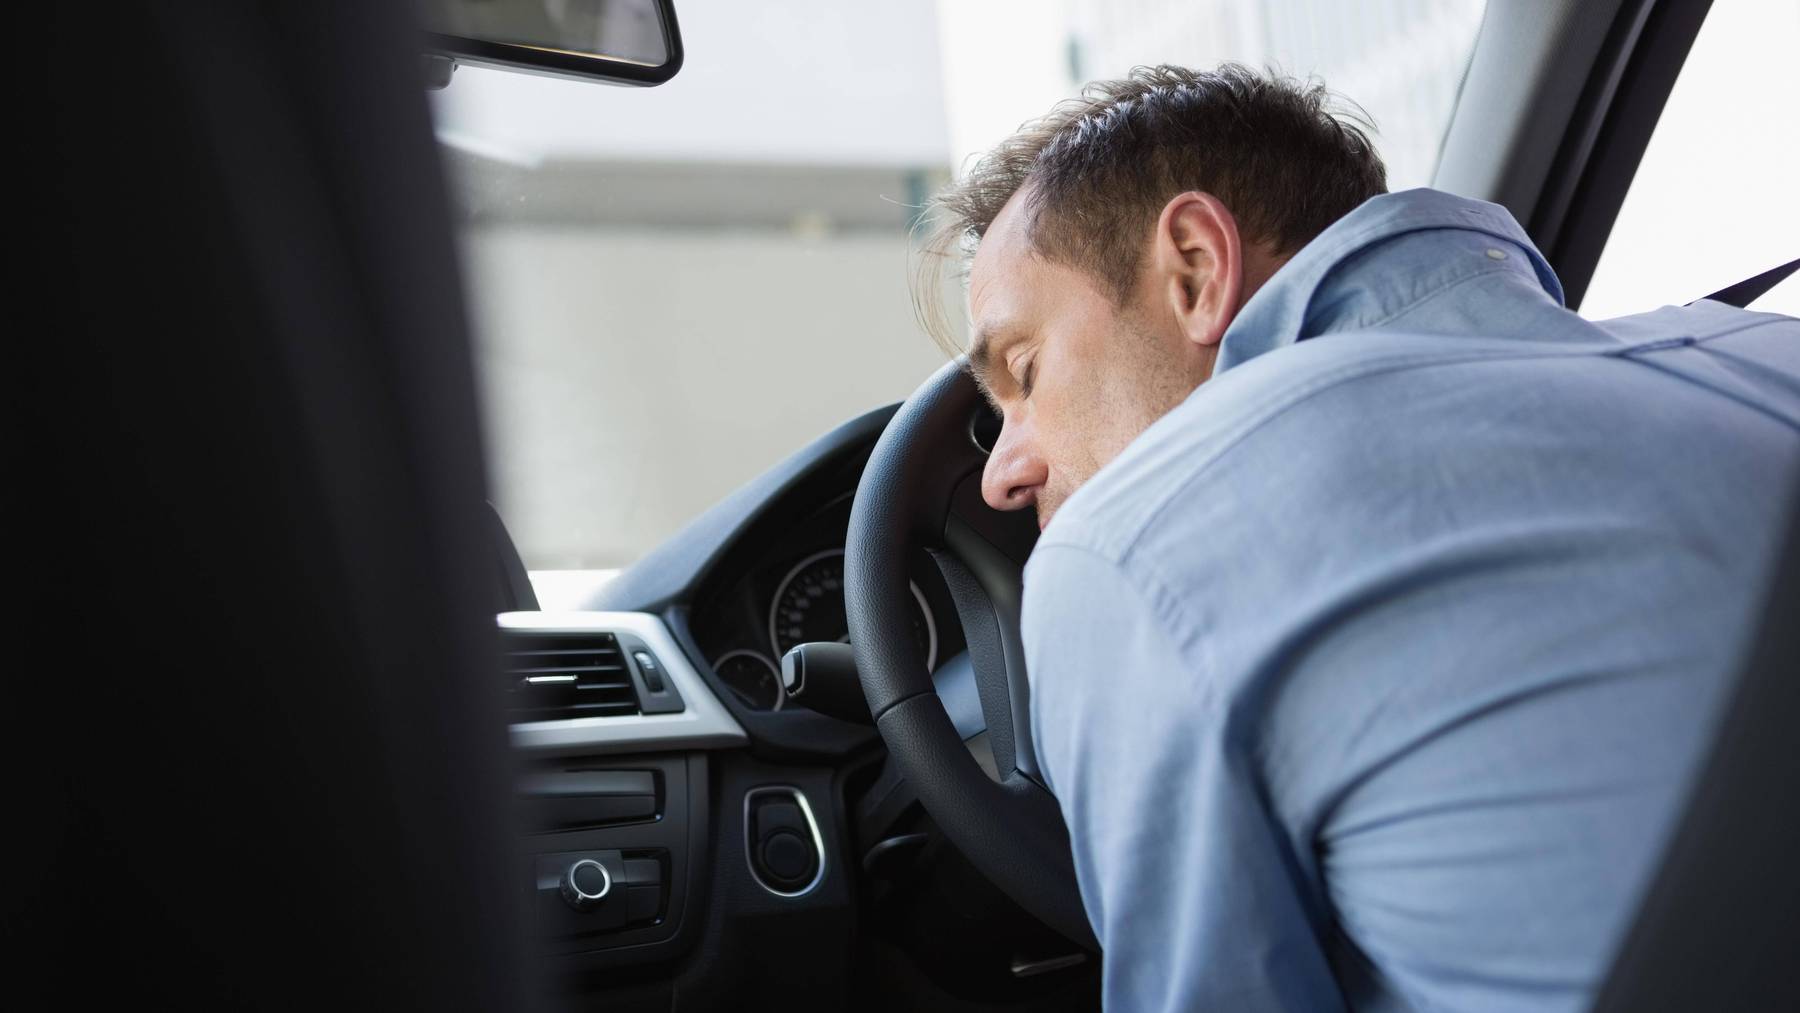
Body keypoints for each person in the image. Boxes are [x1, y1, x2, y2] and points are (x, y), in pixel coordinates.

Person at [916, 63, 1800, 1011]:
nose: (1004, 475)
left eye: (1024, 368)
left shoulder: (1132, 544)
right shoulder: (1767, 356)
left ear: (1195, 270)